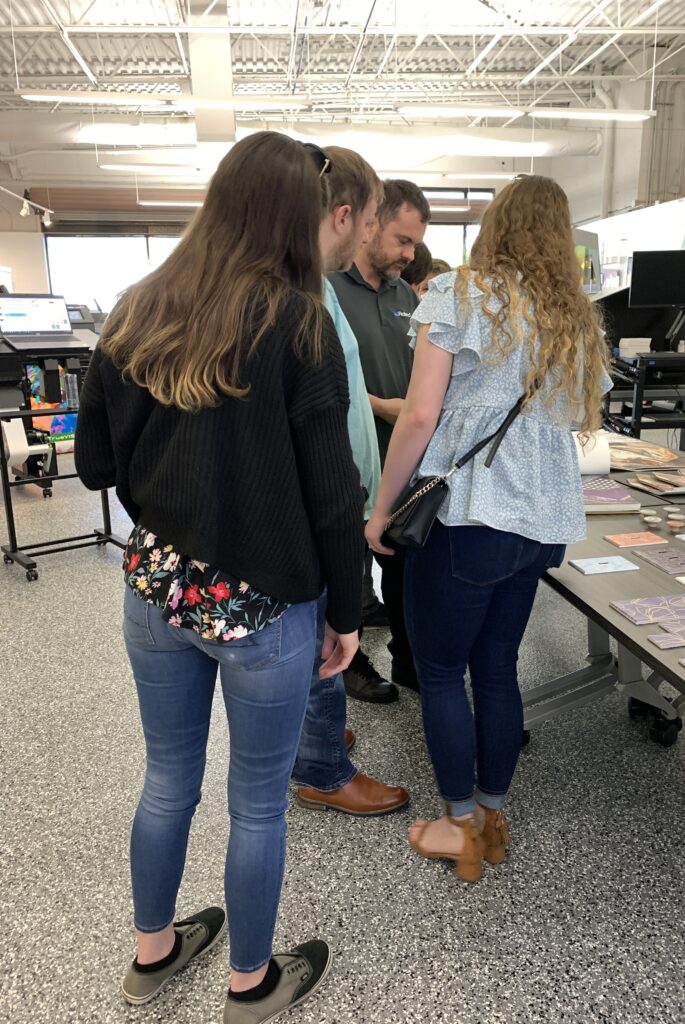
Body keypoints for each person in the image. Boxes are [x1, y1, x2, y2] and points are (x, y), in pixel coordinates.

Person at [75, 133, 364, 1022]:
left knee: (167, 779)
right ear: (293, 214)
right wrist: (347, 612)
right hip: (266, 604)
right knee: (257, 804)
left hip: (157, 587)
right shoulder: (298, 321)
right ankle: (250, 984)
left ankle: (152, 955)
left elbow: (92, 463)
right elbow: (330, 495)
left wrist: (173, 488)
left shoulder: (136, 308)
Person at [365, 175, 611, 882]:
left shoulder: (460, 295)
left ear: (495, 225)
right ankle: (493, 815)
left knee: (442, 673)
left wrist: (382, 510)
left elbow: (418, 416)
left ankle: (458, 827)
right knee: (496, 667)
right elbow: (575, 424)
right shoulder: (575, 317)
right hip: (538, 523)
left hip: (469, 516)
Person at [293, 144, 409, 816]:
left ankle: (317, 736)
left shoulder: (318, 288)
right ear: (341, 215)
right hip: (326, 508)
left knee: (322, 639)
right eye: (369, 222)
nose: (371, 235)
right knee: (328, 635)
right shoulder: (306, 294)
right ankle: (323, 770)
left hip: (345, 499)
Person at [329, 179, 431, 701]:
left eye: (414, 244)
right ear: (369, 226)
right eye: (401, 240)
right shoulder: (327, 287)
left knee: (402, 566)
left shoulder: (402, 296)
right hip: (341, 459)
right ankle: (348, 664)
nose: (409, 255)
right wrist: (383, 405)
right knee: (344, 566)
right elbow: (326, 382)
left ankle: (411, 662)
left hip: (399, 458)